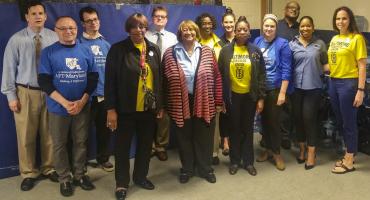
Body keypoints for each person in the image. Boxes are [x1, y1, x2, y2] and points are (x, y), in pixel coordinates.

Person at [1, 1, 58, 191]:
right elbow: (8, 69)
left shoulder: (54, 37)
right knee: (26, 135)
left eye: (41, 13)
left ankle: (49, 167)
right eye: (33, 13)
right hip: (26, 92)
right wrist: (11, 96)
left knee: (50, 133)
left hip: (51, 92)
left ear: (46, 15)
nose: (38, 16)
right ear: (27, 17)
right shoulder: (16, 40)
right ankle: (28, 173)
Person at [38, 16, 98, 197]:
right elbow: (44, 81)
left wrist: (82, 101)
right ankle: (64, 179)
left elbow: (93, 77)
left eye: (71, 28)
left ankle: (79, 175)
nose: (68, 31)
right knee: (59, 144)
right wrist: (65, 103)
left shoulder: (86, 51)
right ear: (56, 30)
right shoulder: (48, 52)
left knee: (80, 142)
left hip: (82, 107)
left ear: (77, 29)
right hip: (58, 108)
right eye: (63, 28)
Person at [104, 13, 162, 200]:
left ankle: (140, 177)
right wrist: (111, 109)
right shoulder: (118, 49)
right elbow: (110, 82)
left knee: (145, 147)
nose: (139, 30)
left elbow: (159, 79)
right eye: (135, 27)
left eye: (143, 26)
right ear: (128, 29)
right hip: (125, 110)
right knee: (122, 148)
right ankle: (121, 183)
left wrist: (159, 105)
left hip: (148, 110)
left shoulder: (153, 49)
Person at [162, 20, 222, 184]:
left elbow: (217, 77)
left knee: (204, 137)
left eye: (191, 30)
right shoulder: (170, 53)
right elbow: (163, 81)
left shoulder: (207, 52)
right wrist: (164, 104)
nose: (188, 33)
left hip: (205, 100)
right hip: (179, 101)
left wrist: (218, 100)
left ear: (197, 32)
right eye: (184, 30)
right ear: (180, 33)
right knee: (184, 137)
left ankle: (205, 168)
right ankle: (187, 169)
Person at [218, 16, 265, 176]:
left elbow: (261, 76)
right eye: (239, 30)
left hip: (249, 97)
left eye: (245, 29)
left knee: (247, 129)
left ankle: (248, 162)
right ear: (235, 32)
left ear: (249, 32)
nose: (242, 32)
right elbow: (220, 76)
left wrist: (260, 98)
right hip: (232, 97)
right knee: (234, 129)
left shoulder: (255, 51)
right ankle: (235, 161)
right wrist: (221, 99)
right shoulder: (225, 51)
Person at [328, 6, 367, 174]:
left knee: (349, 122)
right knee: (340, 121)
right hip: (333, 82)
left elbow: (362, 65)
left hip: (348, 84)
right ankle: (349, 153)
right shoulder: (335, 39)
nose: (340, 22)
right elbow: (332, 63)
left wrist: (360, 89)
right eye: (338, 18)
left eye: (344, 18)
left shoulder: (357, 38)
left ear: (350, 19)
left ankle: (349, 161)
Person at [289, 16, 328, 170]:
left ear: (313, 27)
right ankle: (302, 149)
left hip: (314, 88)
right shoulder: (292, 45)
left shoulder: (320, 44)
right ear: (300, 28)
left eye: (308, 26)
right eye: (302, 26)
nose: (305, 29)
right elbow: (288, 66)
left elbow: (326, 65)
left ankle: (312, 152)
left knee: (308, 119)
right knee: (298, 118)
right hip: (296, 88)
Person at [254, 14, 292, 171]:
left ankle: (277, 153)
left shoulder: (283, 44)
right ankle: (267, 150)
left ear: (276, 28)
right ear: (262, 26)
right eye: (266, 25)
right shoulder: (257, 41)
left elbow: (286, 69)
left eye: (272, 26)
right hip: (260, 89)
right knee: (263, 122)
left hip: (275, 89)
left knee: (274, 122)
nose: (268, 29)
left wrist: (283, 92)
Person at [78, 6, 114, 172]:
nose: (93, 23)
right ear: (82, 24)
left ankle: (103, 158)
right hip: (84, 97)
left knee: (104, 130)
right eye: (88, 21)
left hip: (103, 96)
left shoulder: (106, 44)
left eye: (95, 19)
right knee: (81, 133)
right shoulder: (77, 44)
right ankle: (80, 163)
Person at [145, 6, 177, 161]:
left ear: (166, 19)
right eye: (156, 16)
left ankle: (161, 145)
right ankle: (149, 145)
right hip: (149, 79)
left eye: (162, 16)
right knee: (148, 111)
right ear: (152, 18)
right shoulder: (144, 35)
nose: (159, 19)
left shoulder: (172, 38)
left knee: (164, 114)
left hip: (167, 79)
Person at [195, 12, 222, 165]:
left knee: (214, 122)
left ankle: (213, 152)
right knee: (198, 122)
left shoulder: (219, 44)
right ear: (199, 25)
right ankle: (199, 151)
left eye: (209, 23)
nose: (206, 26)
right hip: (197, 88)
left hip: (214, 88)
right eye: (203, 23)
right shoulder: (194, 41)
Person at [218, 7, 236, 157]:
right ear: (222, 24)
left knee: (237, 114)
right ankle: (225, 141)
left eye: (231, 22)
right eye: (226, 22)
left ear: (235, 23)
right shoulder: (219, 42)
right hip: (224, 83)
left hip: (240, 84)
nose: (229, 25)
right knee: (224, 114)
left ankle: (236, 140)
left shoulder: (242, 39)